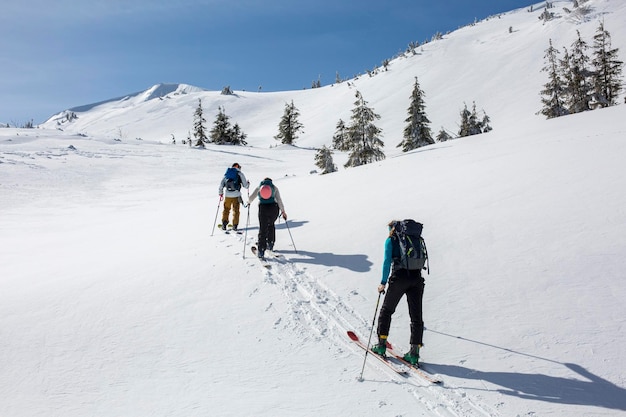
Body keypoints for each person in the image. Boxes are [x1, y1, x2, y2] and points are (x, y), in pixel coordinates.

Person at [371, 220, 425, 365]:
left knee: (386, 311)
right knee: (416, 316)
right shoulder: (414, 240)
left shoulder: (391, 240)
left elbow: (387, 262)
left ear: (392, 229)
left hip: (400, 278)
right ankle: (414, 353)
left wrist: (383, 283)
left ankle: (381, 346)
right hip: (417, 278)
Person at [248, 178, 287, 258]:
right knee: (271, 225)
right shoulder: (274, 188)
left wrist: (248, 203)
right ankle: (270, 243)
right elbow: (279, 200)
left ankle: (261, 250)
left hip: (263, 208)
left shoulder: (259, 187)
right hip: (274, 208)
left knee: (263, 228)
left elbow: (251, 197)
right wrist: (283, 211)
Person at [218, 163, 249, 231]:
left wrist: (221, 193)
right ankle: (235, 225)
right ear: (238, 167)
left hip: (227, 195)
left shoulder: (227, 173)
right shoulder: (240, 174)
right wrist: (248, 184)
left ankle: (224, 224)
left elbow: (221, 185)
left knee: (226, 209)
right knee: (236, 211)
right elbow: (245, 186)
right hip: (236, 195)